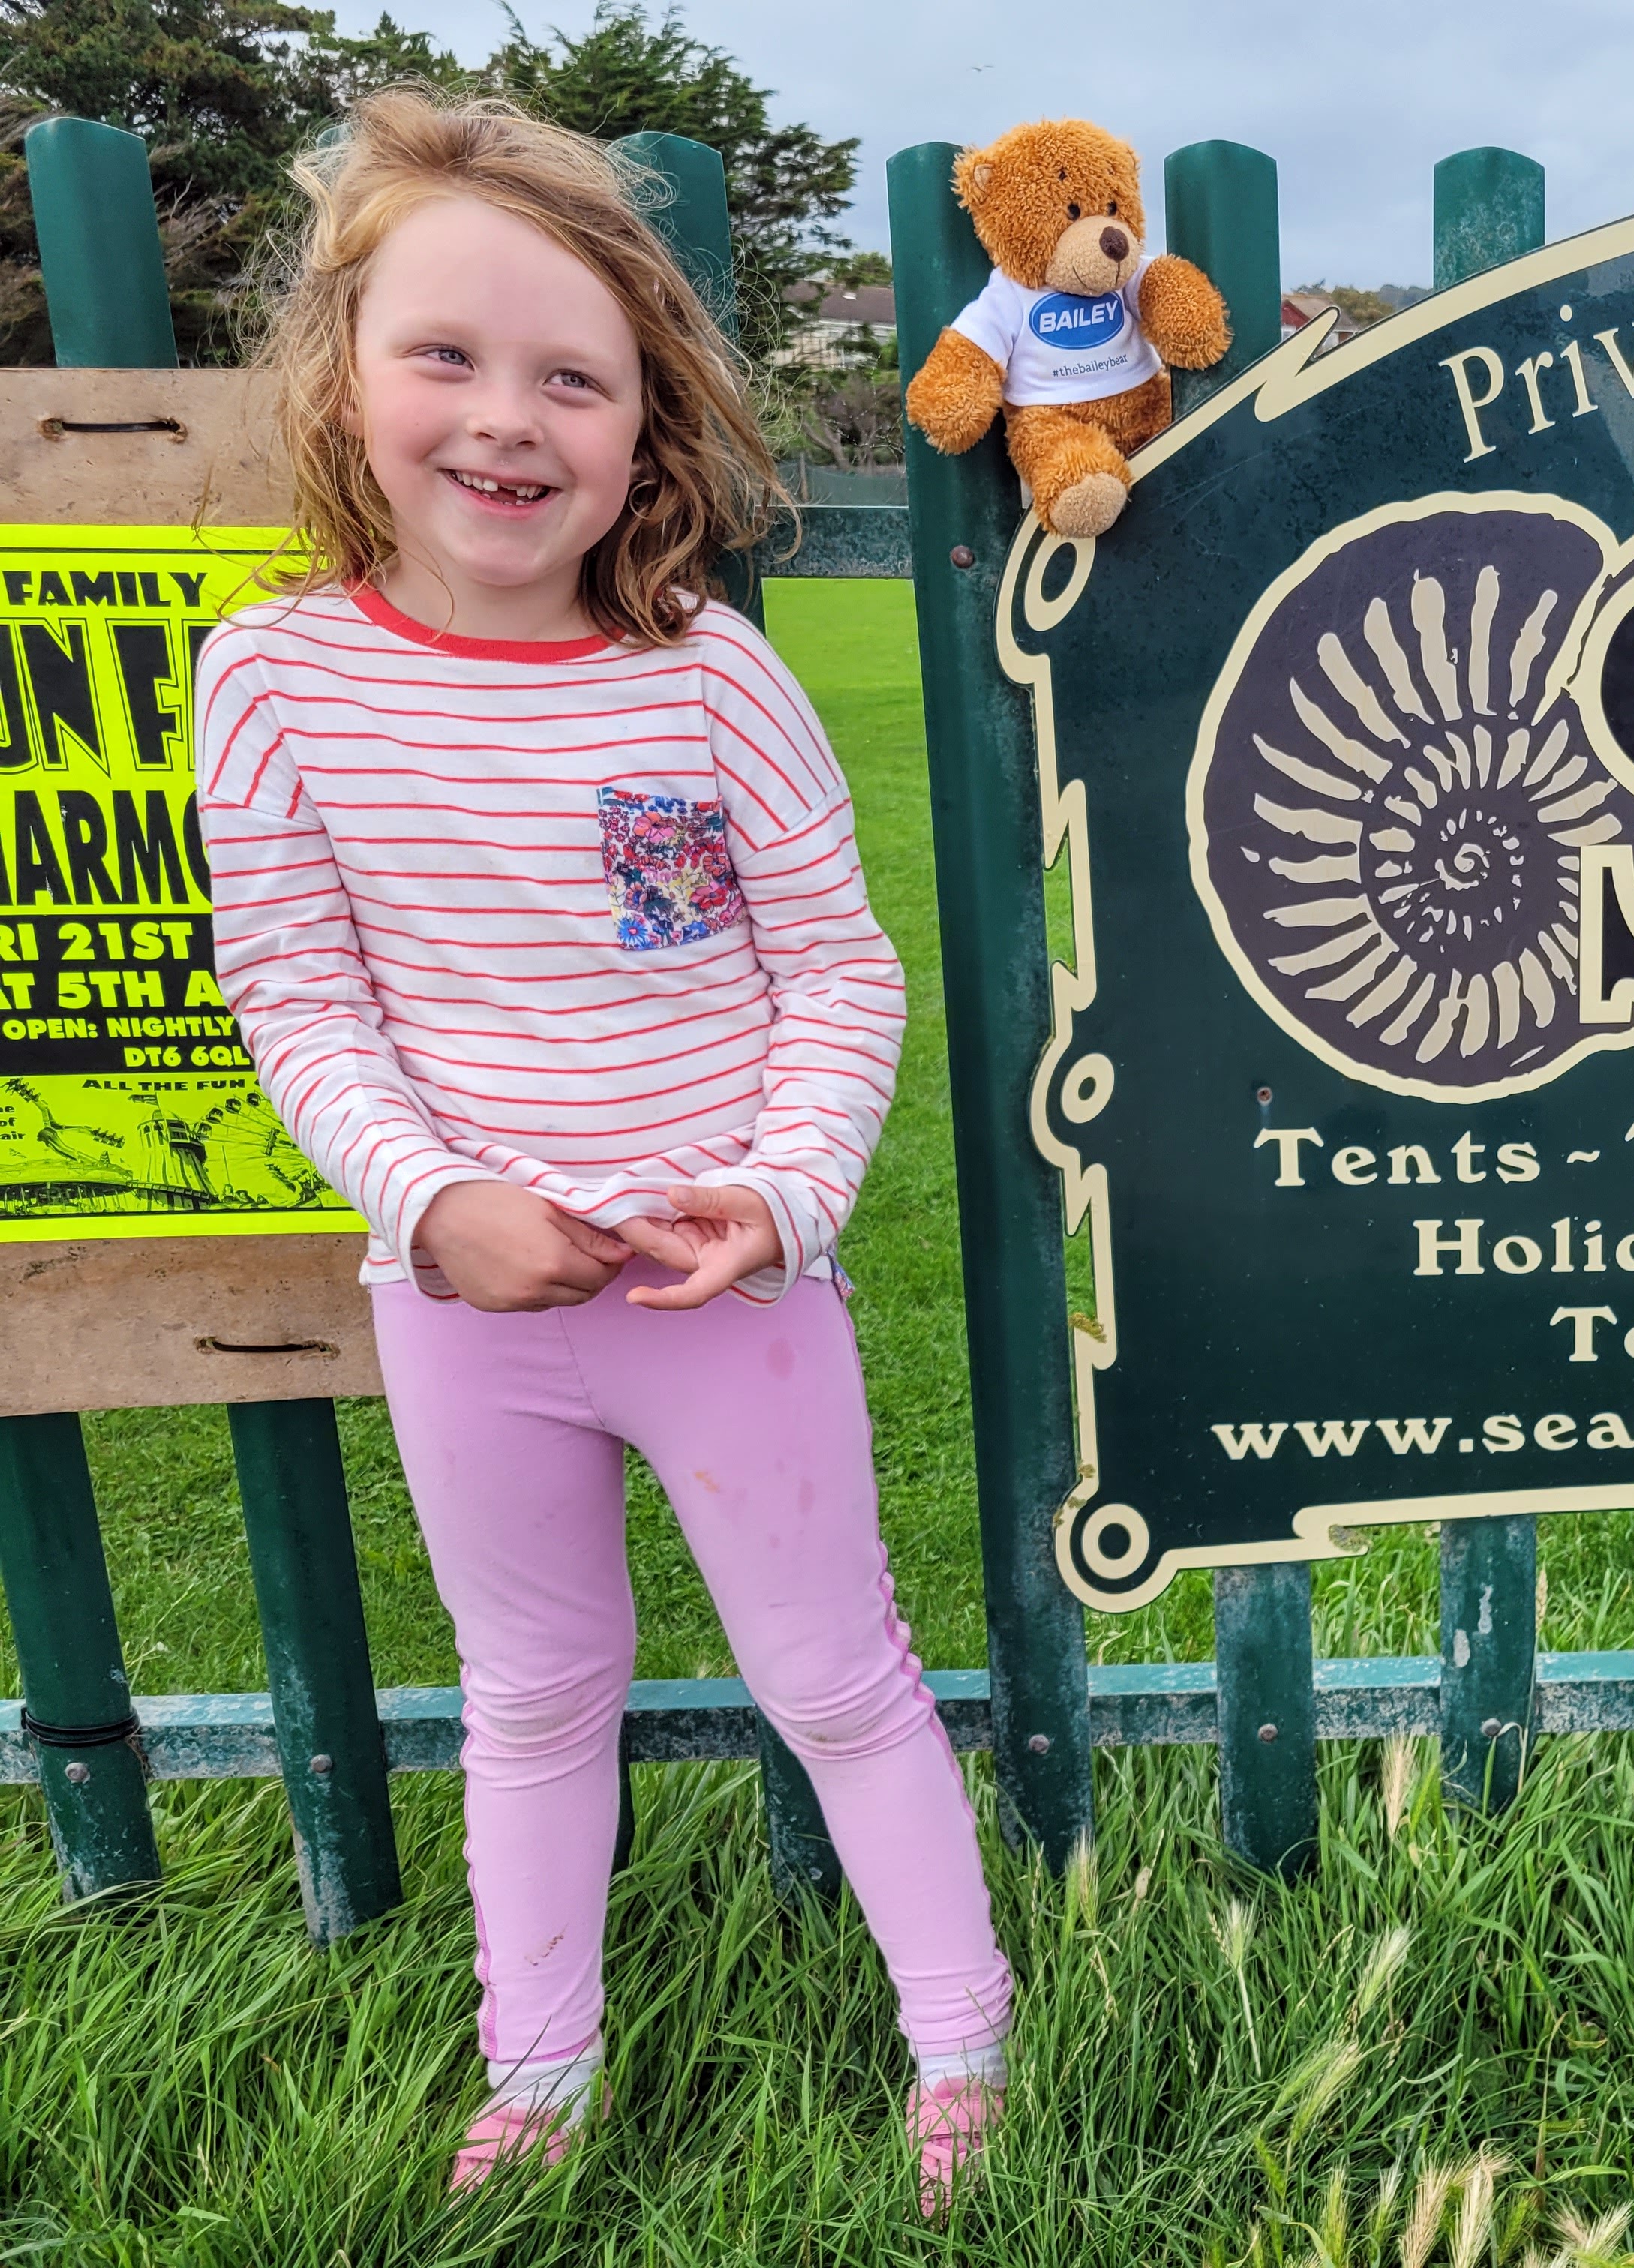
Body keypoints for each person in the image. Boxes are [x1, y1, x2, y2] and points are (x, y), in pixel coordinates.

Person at [194, 88, 1012, 2216]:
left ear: (645, 429)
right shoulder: (271, 682)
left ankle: (966, 2043)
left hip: (726, 1302)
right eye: (445, 356)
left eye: (573, 377)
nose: (505, 418)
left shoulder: (706, 680)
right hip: (466, 1316)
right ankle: (538, 2071)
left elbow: (840, 972)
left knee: (836, 1676)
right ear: (344, 380)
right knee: (535, 1694)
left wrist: (784, 1198)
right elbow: (295, 992)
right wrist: (431, 1206)